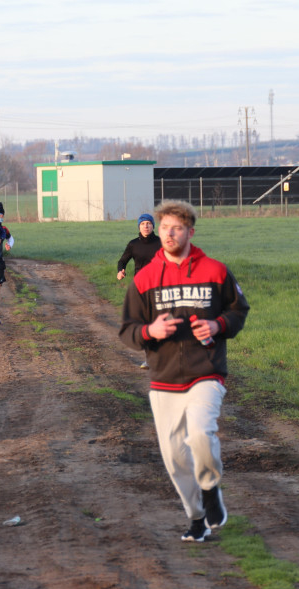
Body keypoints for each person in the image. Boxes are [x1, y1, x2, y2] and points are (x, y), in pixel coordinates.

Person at [119, 200, 250, 543]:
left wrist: (218, 324)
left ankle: (209, 486)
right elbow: (127, 329)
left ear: (191, 232)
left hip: (205, 372)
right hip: (163, 380)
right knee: (175, 459)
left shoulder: (215, 271)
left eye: (177, 228)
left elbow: (239, 311)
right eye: (164, 228)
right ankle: (196, 518)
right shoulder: (145, 278)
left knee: (200, 435)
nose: (169, 234)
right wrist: (149, 332)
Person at [117, 213, 162, 368]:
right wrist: (120, 271)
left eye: (149, 223)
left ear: (153, 226)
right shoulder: (133, 244)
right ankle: (150, 358)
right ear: (139, 226)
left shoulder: (161, 243)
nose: (146, 226)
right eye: (143, 224)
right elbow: (122, 260)